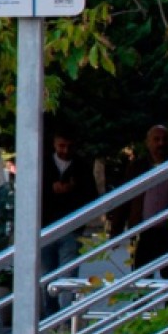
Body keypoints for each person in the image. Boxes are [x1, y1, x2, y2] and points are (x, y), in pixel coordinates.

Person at [40, 129, 99, 310]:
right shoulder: (42, 164)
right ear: (54, 144)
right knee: (46, 277)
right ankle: (50, 319)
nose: (65, 150)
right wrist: (51, 189)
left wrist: (73, 189)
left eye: (69, 146)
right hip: (45, 228)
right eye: (61, 146)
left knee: (69, 276)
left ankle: (65, 320)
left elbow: (91, 196)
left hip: (71, 228)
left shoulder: (82, 166)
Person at [127, 124, 168, 280]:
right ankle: (142, 305)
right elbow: (125, 199)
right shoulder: (138, 167)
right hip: (144, 233)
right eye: (156, 139)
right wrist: (116, 231)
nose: (161, 143)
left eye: (164, 139)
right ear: (148, 142)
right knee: (142, 280)